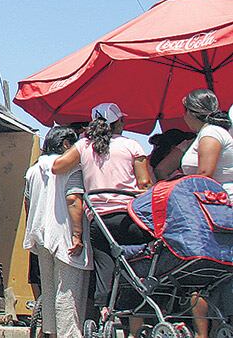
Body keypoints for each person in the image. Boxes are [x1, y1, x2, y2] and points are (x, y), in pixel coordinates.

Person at [51, 103, 152, 323]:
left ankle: (104, 311)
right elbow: (145, 184)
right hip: (129, 217)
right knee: (139, 261)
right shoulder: (132, 146)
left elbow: (57, 166)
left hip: (99, 219)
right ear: (119, 123)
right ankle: (137, 309)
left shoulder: (84, 146)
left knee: (104, 266)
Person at [23, 126, 90, 338]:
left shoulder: (34, 169)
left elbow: (27, 202)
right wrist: (77, 235)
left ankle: (50, 333)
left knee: (49, 290)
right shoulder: (71, 167)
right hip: (65, 235)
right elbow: (73, 199)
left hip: (40, 236)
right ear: (66, 145)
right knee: (68, 291)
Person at [178, 89, 233, 338]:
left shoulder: (210, 133)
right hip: (216, 210)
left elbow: (205, 175)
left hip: (218, 211)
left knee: (204, 273)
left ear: (191, 112)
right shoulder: (211, 132)